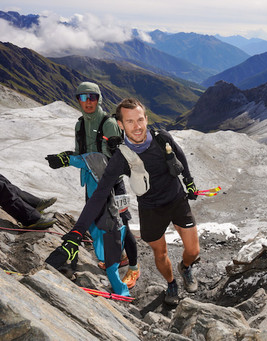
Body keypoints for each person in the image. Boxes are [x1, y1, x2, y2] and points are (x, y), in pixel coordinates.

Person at [46, 98, 200, 305]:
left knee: (193, 251)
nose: (137, 127)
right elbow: (99, 195)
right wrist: (76, 232)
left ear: (146, 118)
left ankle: (186, 267)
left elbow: (180, 155)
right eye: (130, 122)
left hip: (176, 199)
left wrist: (189, 181)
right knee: (160, 253)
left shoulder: (161, 138)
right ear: (120, 125)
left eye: (140, 120)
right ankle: (171, 283)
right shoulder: (120, 158)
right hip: (151, 209)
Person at [45, 82, 139, 288]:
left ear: (99, 99)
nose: (88, 102)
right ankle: (117, 255)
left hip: (114, 185)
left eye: (92, 97)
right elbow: (81, 154)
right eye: (83, 97)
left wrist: (69, 160)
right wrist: (67, 157)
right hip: (92, 182)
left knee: (123, 225)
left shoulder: (109, 123)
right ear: (78, 100)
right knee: (99, 223)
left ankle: (133, 267)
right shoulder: (80, 124)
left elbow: (113, 159)